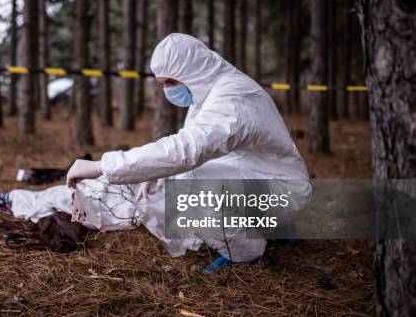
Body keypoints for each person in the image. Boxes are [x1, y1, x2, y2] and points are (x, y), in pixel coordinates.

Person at [66, 33, 310, 272]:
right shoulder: (209, 92)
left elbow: (187, 149)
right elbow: (193, 144)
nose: (167, 91)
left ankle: (246, 255)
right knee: (183, 181)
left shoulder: (232, 97)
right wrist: (156, 171)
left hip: (281, 190)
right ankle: (277, 228)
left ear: (192, 70)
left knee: (187, 183)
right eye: (162, 85)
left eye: (171, 82)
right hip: (266, 179)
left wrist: (101, 166)